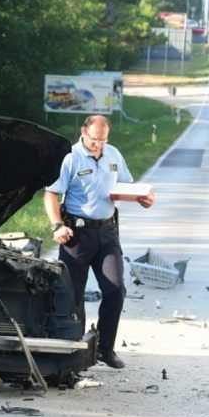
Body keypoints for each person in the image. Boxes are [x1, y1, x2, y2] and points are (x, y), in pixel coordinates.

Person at [43, 115, 154, 369]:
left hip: (107, 234)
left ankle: (105, 349)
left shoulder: (113, 154)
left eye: (103, 141)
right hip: (76, 236)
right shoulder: (70, 158)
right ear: (84, 131)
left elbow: (127, 186)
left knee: (116, 289)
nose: (99, 146)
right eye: (95, 140)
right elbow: (50, 194)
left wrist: (142, 199)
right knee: (73, 296)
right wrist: (57, 226)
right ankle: (75, 351)